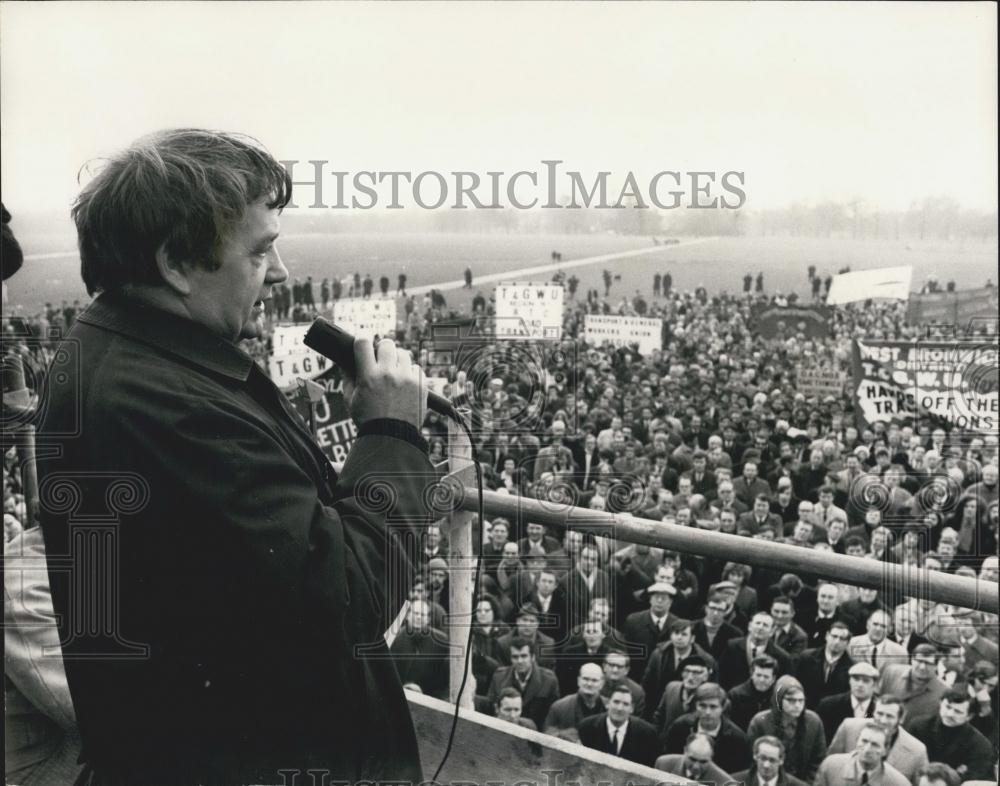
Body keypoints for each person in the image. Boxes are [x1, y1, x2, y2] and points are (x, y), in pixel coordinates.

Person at [36, 130, 432, 784]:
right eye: (261, 251)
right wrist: (391, 432)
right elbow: (350, 599)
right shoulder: (164, 406)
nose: (280, 274)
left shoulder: (118, 358)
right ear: (175, 262)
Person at [826, 695, 929, 784]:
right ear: (874, 712)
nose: (883, 720)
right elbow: (829, 766)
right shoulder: (849, 728)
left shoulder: (917, 751)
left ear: (901, 719)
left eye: (889, 716)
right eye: (879, 714)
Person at [747, 675, 826, 783]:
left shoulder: (814, 722)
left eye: (801, 700)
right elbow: (752, 760)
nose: (797, 705)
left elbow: (818, 761)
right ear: (778, 700)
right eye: (791, 700)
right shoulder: (759, 722)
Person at [905, 688, 995, 782]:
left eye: (958, 711)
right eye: (947, 707)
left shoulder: (980, 746)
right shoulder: (918, 726)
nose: (949, 714)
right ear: (940, 703)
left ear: (969, 716)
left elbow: (972, 781)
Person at [662, 682, 753, 774]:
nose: (707, 712)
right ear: (696, 705)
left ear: (722, 708)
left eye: (713, 707)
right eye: (702, 706)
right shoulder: (680, 727)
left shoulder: (738, 740)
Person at [486, 637, 560, 730]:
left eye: (524, 656)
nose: (520, 661)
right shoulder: (499, 677)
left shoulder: (548, 680)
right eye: (515, 657)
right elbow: (491, 710)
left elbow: (551, 717)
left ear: (532, 657)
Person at [577, 685, 659, 767]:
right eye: (616, 702)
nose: (620, 708)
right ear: (607, 704)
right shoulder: (587, 727)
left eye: (625, 704)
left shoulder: (647, 734)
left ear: (632, 708)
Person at [813, 721, 910, 786]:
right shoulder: (831, 766)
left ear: (885, 750)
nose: (867, 749)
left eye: (875, 745)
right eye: (864, 741)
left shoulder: (899, 783)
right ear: (856, 742)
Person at [877, 644, 947, 722]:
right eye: (919, 661)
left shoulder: (944, 691)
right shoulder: (891, 673)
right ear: (912, 660)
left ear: (936, 666)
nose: (922, 667)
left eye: (928, 663)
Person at [816, 662, 879, 741]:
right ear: (849, 681)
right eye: (856, 679)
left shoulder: (880, 710)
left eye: (866, 681)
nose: (860, 684)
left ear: (875, 685)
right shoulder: (828, 706)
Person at [543, 662, 605, 738]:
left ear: (601, 683)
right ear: (578, 680)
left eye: (594, 680)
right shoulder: (559, 707)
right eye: (585, 679)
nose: (589, 684)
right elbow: (547, 737)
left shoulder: (609, 708)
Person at [654, 732, 733, 786]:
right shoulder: (663, 764)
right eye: (692, 759)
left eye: (703, 762)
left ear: (711, 756)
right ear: (685, 751)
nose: (696, 767)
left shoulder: (724, 782)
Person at [729, 735, 810, 786]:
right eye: (763, 758)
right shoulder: (734, 782)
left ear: (781, 760)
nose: (766, 765)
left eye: (772, 760)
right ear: (755, 756)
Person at [729, 654, 779, 731]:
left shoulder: (778, 697)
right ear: (751, 675)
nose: (761, 680)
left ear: (773, 679)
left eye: (766, 677)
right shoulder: (735, 695)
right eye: (758, 675)